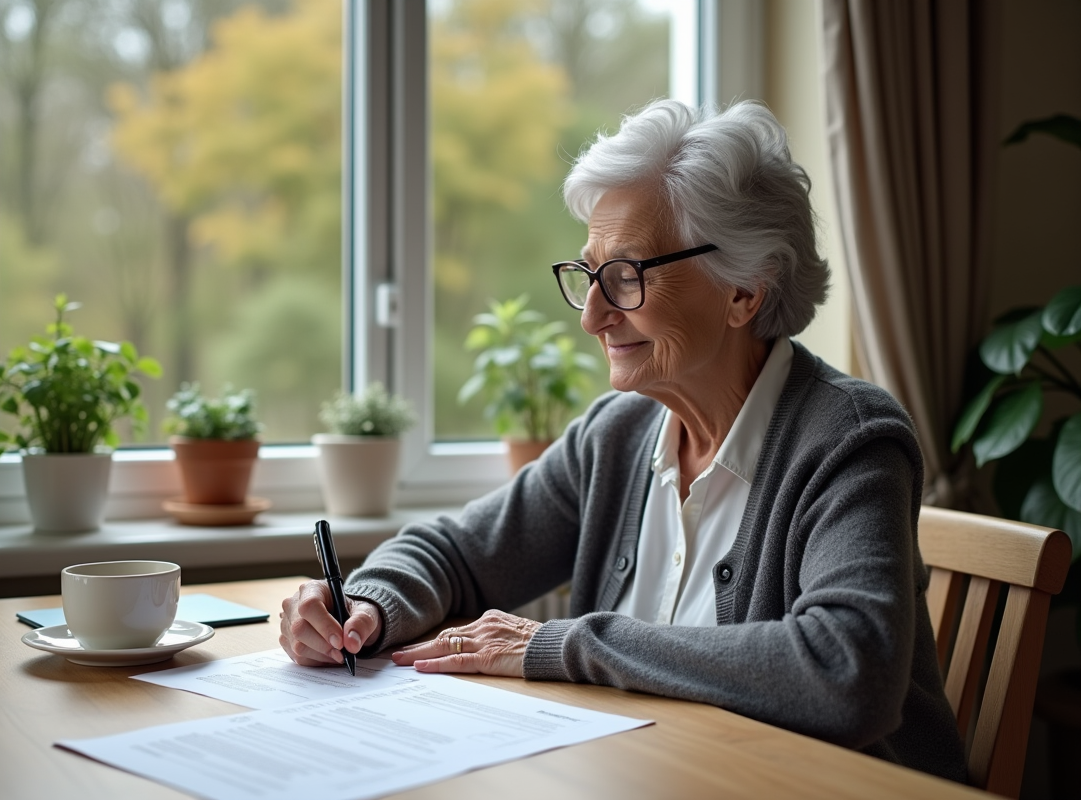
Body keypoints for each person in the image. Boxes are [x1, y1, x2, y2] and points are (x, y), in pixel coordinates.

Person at [278, 99, 967, 782]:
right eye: (589, 277)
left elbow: (847, 671)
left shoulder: (848, 439)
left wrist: (564, 644)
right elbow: (460, 553)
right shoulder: (619, 435)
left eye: (628, 276)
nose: (595, 318)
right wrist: (365, 605)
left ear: (743, 293)